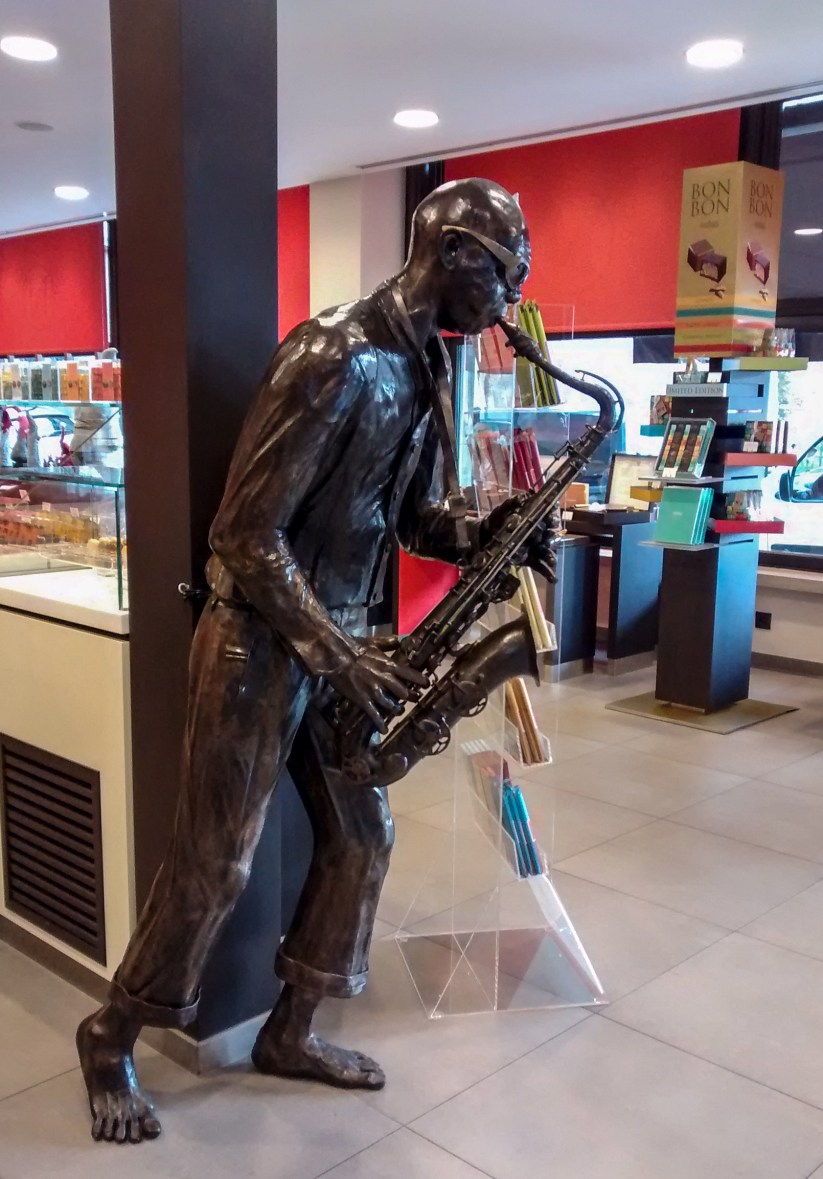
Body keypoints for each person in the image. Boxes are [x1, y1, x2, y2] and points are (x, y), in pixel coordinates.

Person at [76, 177, 556, 1144]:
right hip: (255, 639)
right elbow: (243, 533)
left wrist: (491, 530)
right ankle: (110, 1033)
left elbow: (409, 518)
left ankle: (290, 1032)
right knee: (216, 860)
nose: (511, 302)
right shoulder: (332, 353)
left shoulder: (428, 366)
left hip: (338, 643)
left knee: (362, 835)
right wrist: (337, 654)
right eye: (507, 275)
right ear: (454, 251)